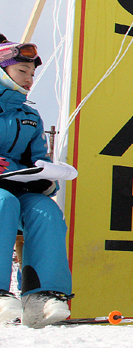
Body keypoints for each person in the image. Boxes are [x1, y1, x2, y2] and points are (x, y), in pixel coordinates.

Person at [0, 38, 72, 328]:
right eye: (22, 72)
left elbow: (37, 159)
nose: (29, 80)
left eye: (31, 74)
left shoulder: (28, 115)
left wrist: (46, 179)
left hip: (17, 188)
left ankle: (41, 296)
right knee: (4, 203)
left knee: (46, 210)